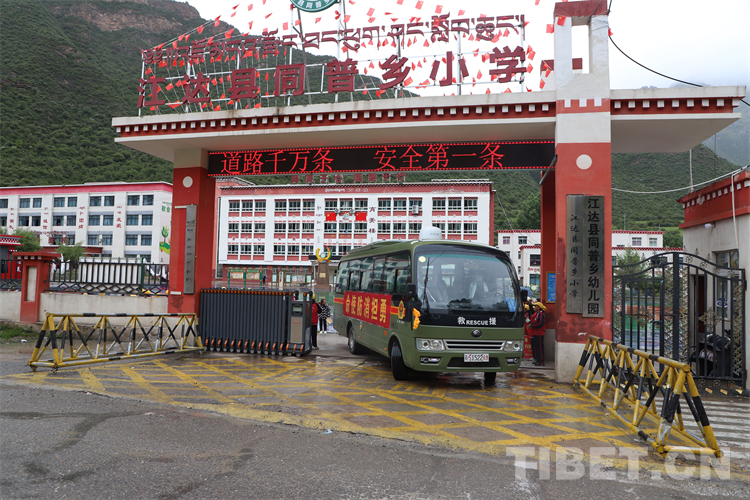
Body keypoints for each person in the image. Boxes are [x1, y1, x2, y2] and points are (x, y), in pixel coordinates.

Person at [530, 302, 547, 366]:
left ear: (539, 307)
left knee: (540, 348)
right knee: (536, 347)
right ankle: (537, 360)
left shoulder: (541, 314)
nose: (534, 307)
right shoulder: (537, 314)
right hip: (535, 333)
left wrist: (532, 325)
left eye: (536, 306)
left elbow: (540, 324)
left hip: (539, 333)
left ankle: (541, 361)